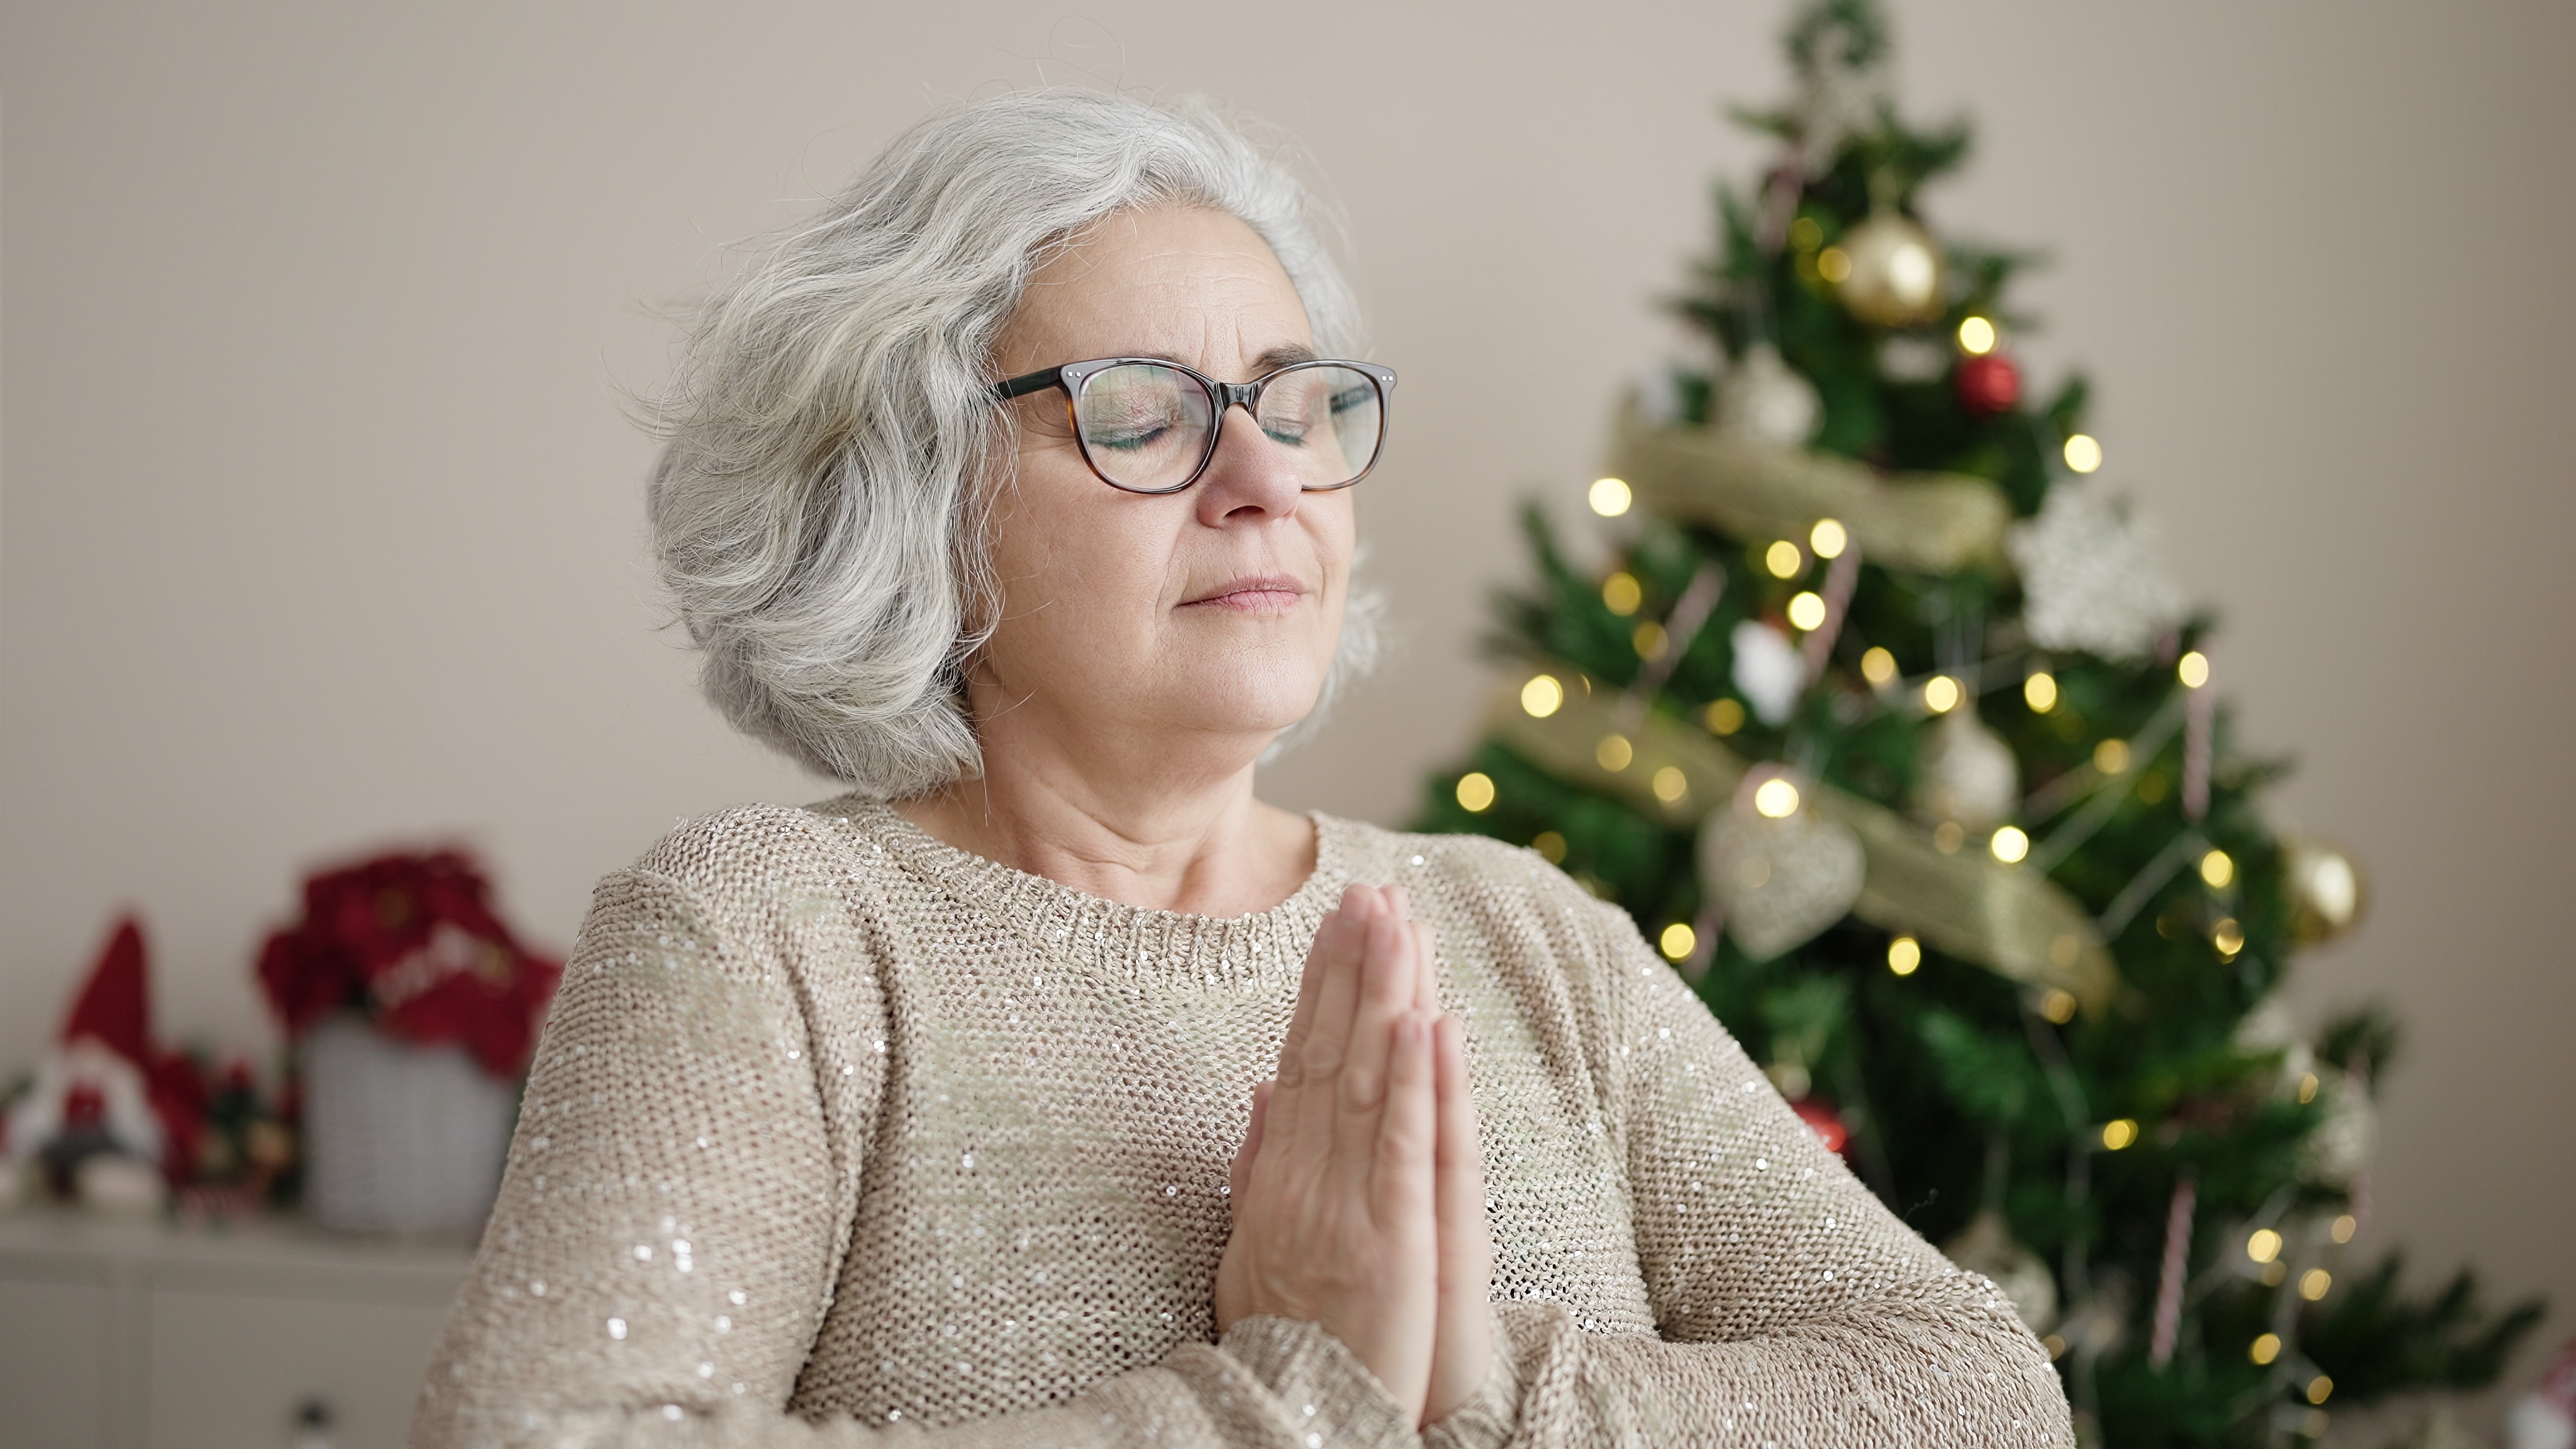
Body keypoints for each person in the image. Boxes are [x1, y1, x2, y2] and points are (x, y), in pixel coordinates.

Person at [411, 89, 2072, 1448]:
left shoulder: (1522, 931)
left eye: (1294, 404)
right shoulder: (768, 940)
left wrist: (1478, 1392)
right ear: (916, 495)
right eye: (1142, 412)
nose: (1262, 474)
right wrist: (1281, 1400)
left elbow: (1979, 1393)